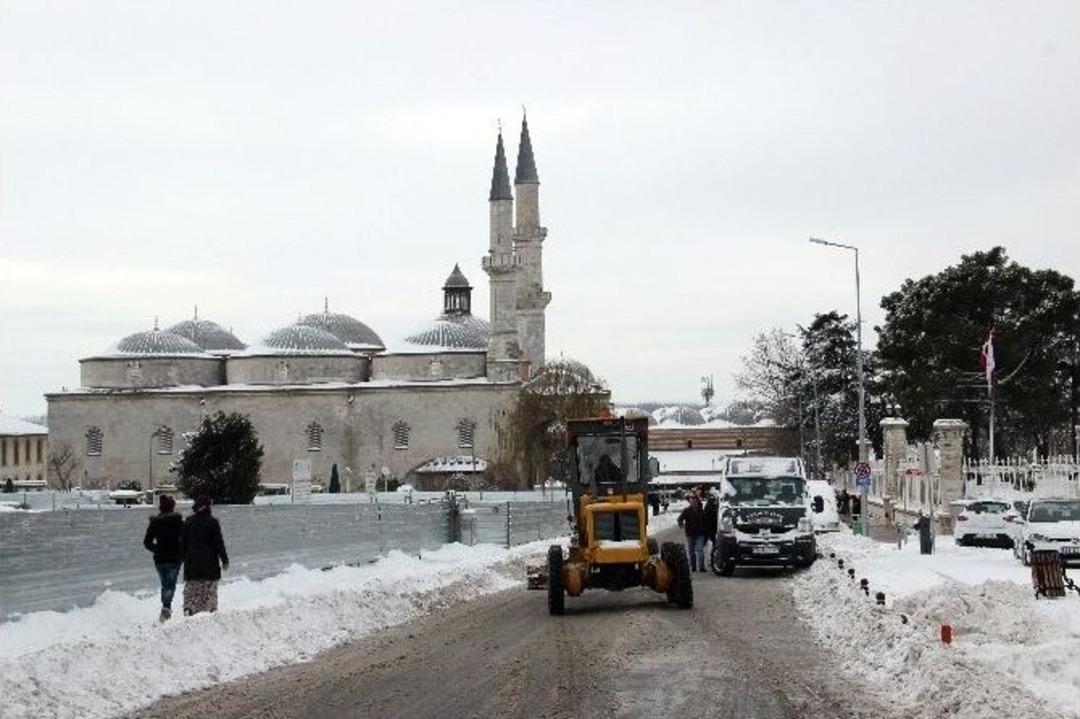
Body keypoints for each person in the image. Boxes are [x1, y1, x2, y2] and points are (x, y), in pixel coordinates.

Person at [181, 494, 229, 615]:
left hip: (192, 565)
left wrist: (180, 559)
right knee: (209, 591)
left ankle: (190, 608)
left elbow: (183, 543)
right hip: (210, 565)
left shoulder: (188, 521)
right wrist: (224, 560)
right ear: (207, 506)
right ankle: (210, 611)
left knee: (192, 589)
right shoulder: (213, 522)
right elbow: (219, 543)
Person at [143, 494, 183, 622]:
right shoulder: (178, 522)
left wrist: (158, 549)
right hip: (174, 558)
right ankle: (166, 607)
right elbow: (185, 539)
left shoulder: (155, 523)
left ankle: (166, 607)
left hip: (160, 559)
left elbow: (147, 542)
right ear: (172, 507)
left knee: (165, 584)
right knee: (170, 584)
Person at [678, 494, 707, 572]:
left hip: (700, 534)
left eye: (695, 501)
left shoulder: (702, 511)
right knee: (691, 551)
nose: (694, 503)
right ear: (690, 502)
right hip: (690, 534)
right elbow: (680, 519)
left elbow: (706, 522)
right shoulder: (686, 511)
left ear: (697, 502)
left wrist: (706, 531)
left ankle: (701, 567)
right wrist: (682, 525)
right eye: (692, 501)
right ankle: (693, 567)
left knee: (700, 550)